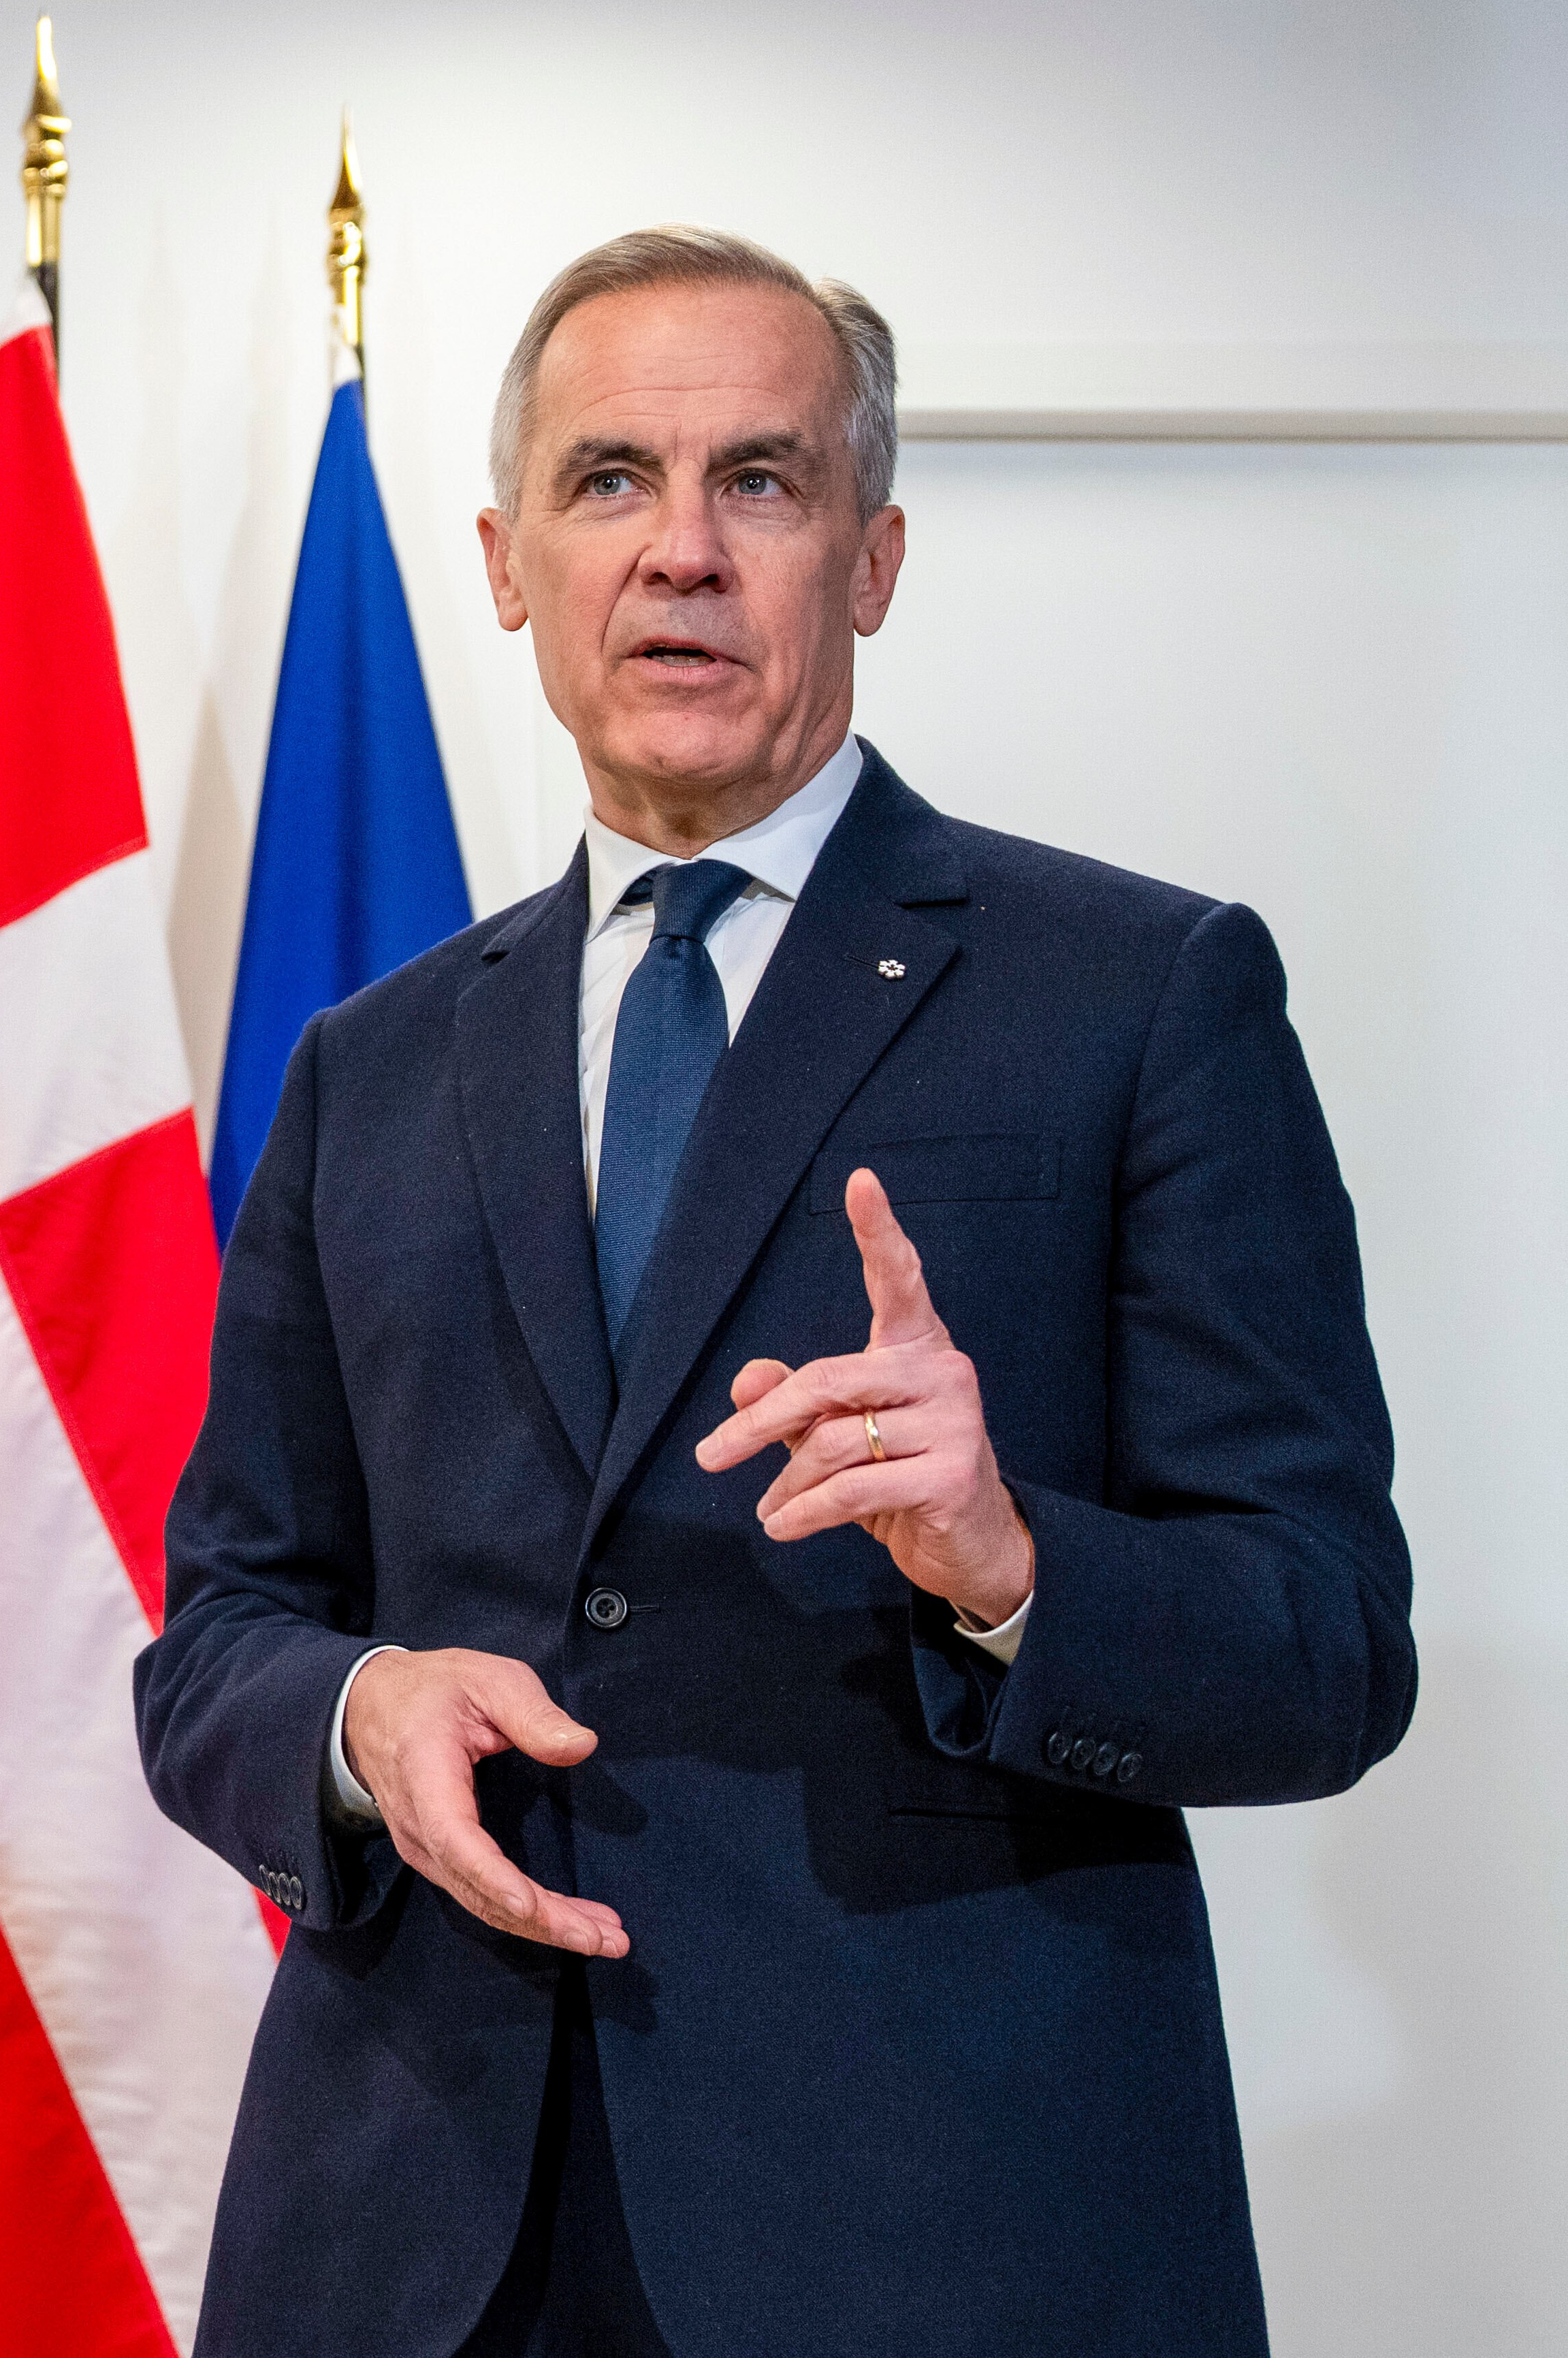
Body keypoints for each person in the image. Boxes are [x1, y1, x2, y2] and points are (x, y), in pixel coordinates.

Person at [135, 227, 1412, 2357]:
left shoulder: (1140, 993)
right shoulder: (369, 1064)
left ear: (872, 555)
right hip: (419, 2230)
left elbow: (1323, 1642)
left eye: (762, 481)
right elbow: (222, 1633)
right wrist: (353, 1716)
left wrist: (1010, 1563)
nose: (681, 554)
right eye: (608, 481)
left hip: (947, 2231)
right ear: (505, 560)